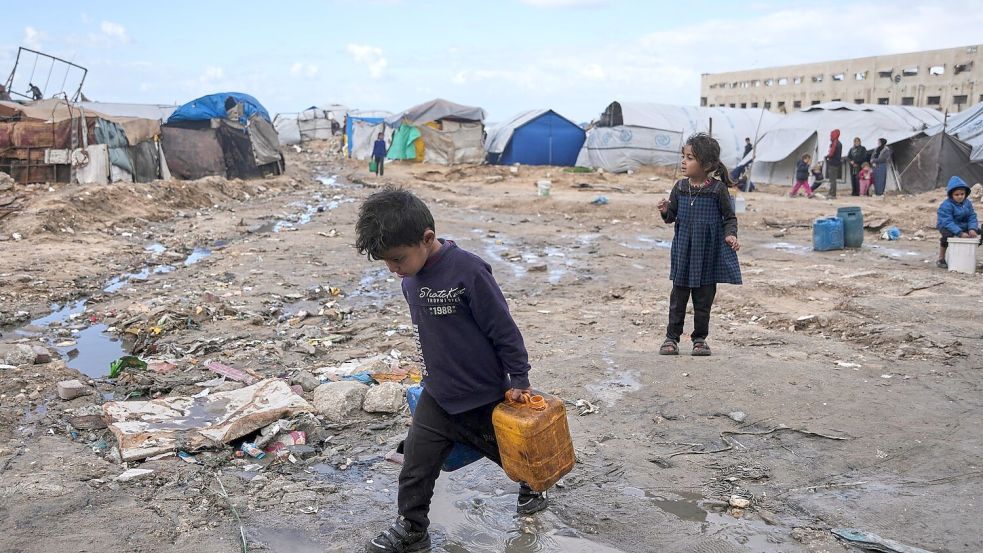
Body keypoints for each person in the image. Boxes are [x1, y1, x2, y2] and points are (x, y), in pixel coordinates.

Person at [355, 188, 547, 553]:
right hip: (438, 395)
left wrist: (519, 377)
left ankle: (533, 483)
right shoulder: (410, 281)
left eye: (397, 259)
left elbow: (502, 328)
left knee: (512, 457)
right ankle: (413, 529)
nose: (393, 270)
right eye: (386, 263)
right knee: (416, 467)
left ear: (427, 239)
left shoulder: (469, 270)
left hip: (482, 395)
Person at [657, 133, 741, 357]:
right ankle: (671, 338)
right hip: (683, 253)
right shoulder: (680, 188)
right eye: (683, 156)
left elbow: (729, 218)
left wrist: (730, 235)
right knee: (678, 299)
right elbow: (672, 216)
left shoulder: (717, 190)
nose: (684, 162)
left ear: (706, 165)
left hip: (707, 255)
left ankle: (700, 339)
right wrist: (665, 209)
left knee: (703, 300)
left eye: (690, 158)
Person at [936, 176, 979, 269]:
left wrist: (972, 228)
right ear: (951, 195)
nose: (960, 196)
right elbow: (947, 221)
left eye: (962, 194)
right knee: (947, 236)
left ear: (965, 193)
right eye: (957, 194)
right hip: (947, 225)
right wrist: (960, 233)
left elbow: (972, 216)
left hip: (962, 225)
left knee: (979, 231)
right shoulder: (946, 205)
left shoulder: (967, 203)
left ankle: (969, 257)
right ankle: (941, 258)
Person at [824, 129, 843, 199]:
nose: (830, 136)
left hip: (833, 163)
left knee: (832, 179)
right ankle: (831, 192)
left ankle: (832, 194)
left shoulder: (835, 143)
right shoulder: (838, 143)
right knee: (832, 179)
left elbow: (832, 153)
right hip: (836, 163)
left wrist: (828, 156)